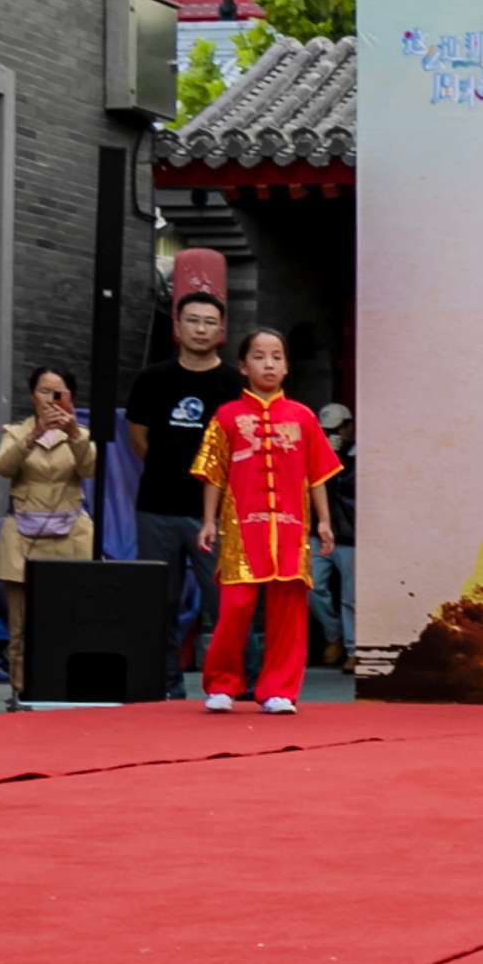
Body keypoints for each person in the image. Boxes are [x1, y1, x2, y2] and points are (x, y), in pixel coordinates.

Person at [193, 328, 340, 716]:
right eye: (259, 356)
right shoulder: (227, 417)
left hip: (290, 530)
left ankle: (279, 689)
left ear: (287, 366)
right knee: (235, 608)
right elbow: (214, 475)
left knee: (288, 612)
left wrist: (323, 522)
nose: (269, 363)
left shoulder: (304, 418)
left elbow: (317, 476)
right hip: (242, 529)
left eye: (276, 356)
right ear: (243, 366)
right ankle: (223, 684)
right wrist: (208, 521)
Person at [125, 288, 242, 697]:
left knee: (224, 601)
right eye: (193, 320)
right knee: (159, 602)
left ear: (221, 331)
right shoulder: (153, 379)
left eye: (210, 322)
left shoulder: (234, 383)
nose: (200, 329)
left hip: (214, 512)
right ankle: (164, 684)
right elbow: (138, 436)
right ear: (177, 327)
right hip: (157, 506)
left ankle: (225, 684)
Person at [0, 366, 95, 700]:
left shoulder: (81, 434)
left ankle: (66, 687)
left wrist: (74, 431)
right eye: (44, 391)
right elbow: (2, 467)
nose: (50, 399)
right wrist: (32, 436)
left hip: (70, 535)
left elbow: (90, 468)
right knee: (20, 624)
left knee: (69, 618)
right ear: (32, 395)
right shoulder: (15, 431)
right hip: (22, 535)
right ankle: (21, 690)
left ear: (70, 398)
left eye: (58, 392)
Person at [309, 401, 356, 672]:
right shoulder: (316, 451)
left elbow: (347, 488)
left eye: (336, 429)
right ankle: (333, 634)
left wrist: (339, 459)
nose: (331, 435)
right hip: (319, 531)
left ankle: (352, 649)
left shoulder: (359, 454)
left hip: (350, 534)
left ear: (348, 427)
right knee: (312, 586)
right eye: (325, 430)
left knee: (351, 597)